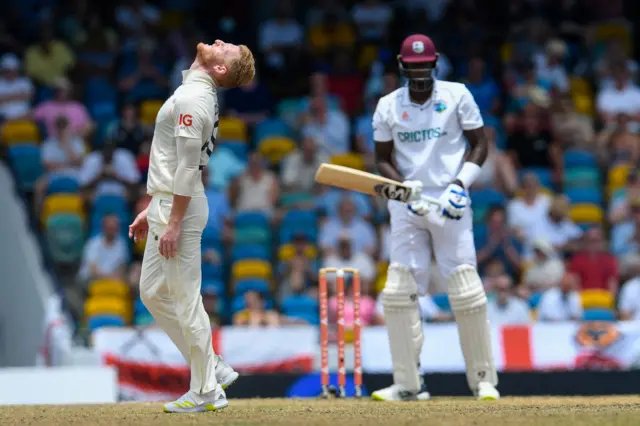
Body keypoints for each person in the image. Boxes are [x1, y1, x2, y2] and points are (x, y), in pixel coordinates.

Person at [128, 39, 255, 413]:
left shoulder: (192, 100)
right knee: (152, 291)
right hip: (167, 202)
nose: (219, 41)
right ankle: (212, 366)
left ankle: (205, 392)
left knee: (186, 300)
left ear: (220, 69)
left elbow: (188, 169)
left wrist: (173, 221)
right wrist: (153, 208)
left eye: (226, 47)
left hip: (178, 207)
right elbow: (176, 161)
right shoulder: (194, 92)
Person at [371, 34, 499, 401]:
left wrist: (461, 185)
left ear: (436, 61)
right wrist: (404, 188)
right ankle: (409, 385)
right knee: (399, 291)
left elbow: (480, 144)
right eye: (412, 68)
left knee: (465, 287)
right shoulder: (387, 106)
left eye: (425, 66)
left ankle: (483, 380)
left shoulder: (457, 94)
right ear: (401, 64)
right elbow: (381, 159)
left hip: (451, 199)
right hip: (407, 202)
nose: (420, 74)